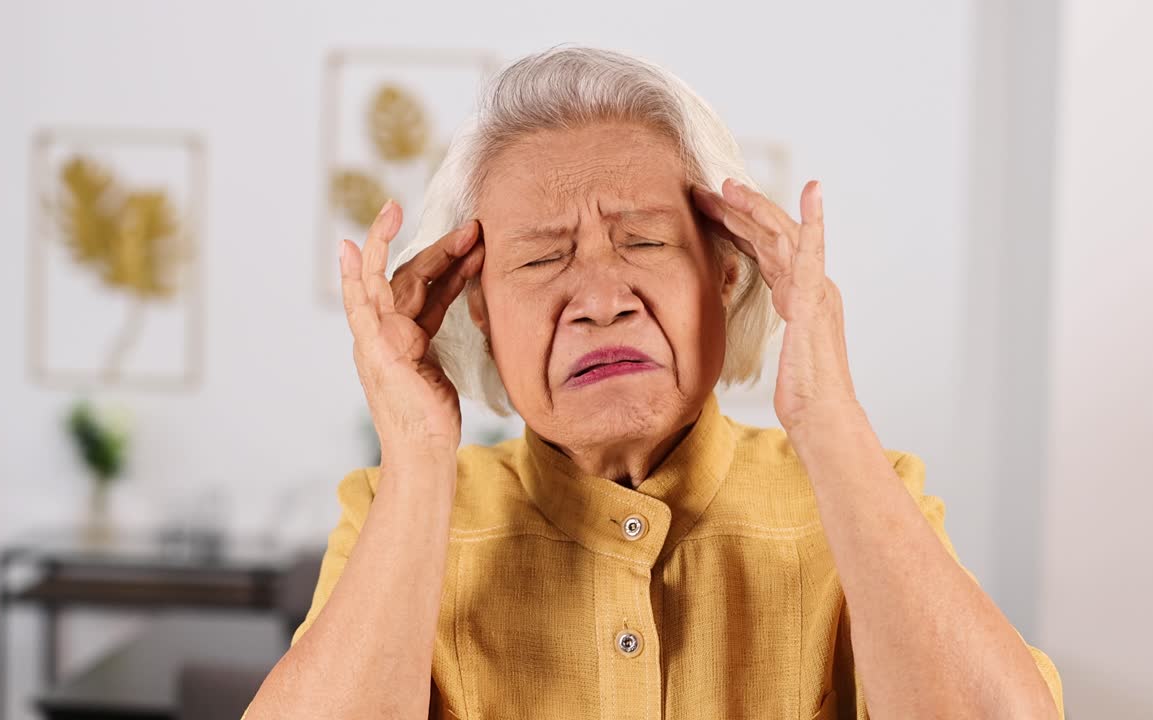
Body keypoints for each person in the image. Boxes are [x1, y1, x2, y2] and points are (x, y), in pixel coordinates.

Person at [247, 47, 1064, 719]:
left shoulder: (862, 492)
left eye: (643, 242)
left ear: (728, 271)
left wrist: (828, 416)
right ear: (481, 310)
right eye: (543, 258)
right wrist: (418, 455)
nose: (603, 300)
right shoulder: (395, 508)